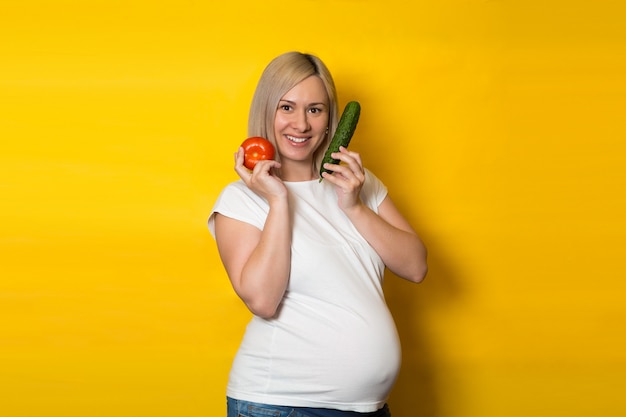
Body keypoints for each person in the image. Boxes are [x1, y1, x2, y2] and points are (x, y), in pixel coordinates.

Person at [208, 51, 428, 417]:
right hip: (282, 405)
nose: (301, 124)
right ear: (268, 112)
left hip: (367, 409)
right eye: (287, 107)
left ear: (330, 118)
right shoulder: (241, 199)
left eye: (315, 109)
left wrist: (354, 205)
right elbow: (262, 300)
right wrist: (279, 200)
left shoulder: (357, 182)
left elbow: (416, 266)